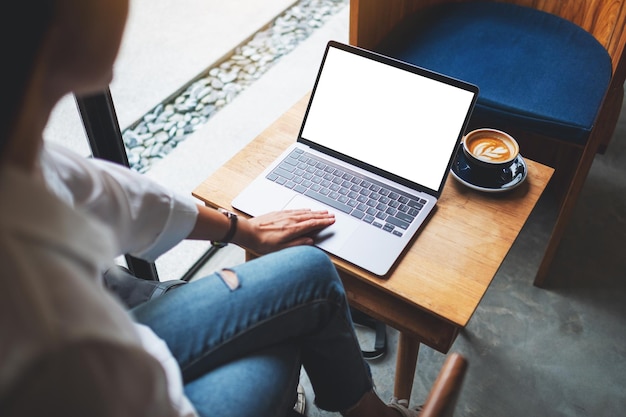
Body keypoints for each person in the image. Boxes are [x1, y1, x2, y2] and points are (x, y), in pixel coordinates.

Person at [0, 1, 420, 416]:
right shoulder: (36, 293)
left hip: (126, 340)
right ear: (61, 31)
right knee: (286, 336)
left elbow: (111, 195)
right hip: (146, 395)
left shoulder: (21, 153)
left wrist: (242, 230)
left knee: (310, 272)